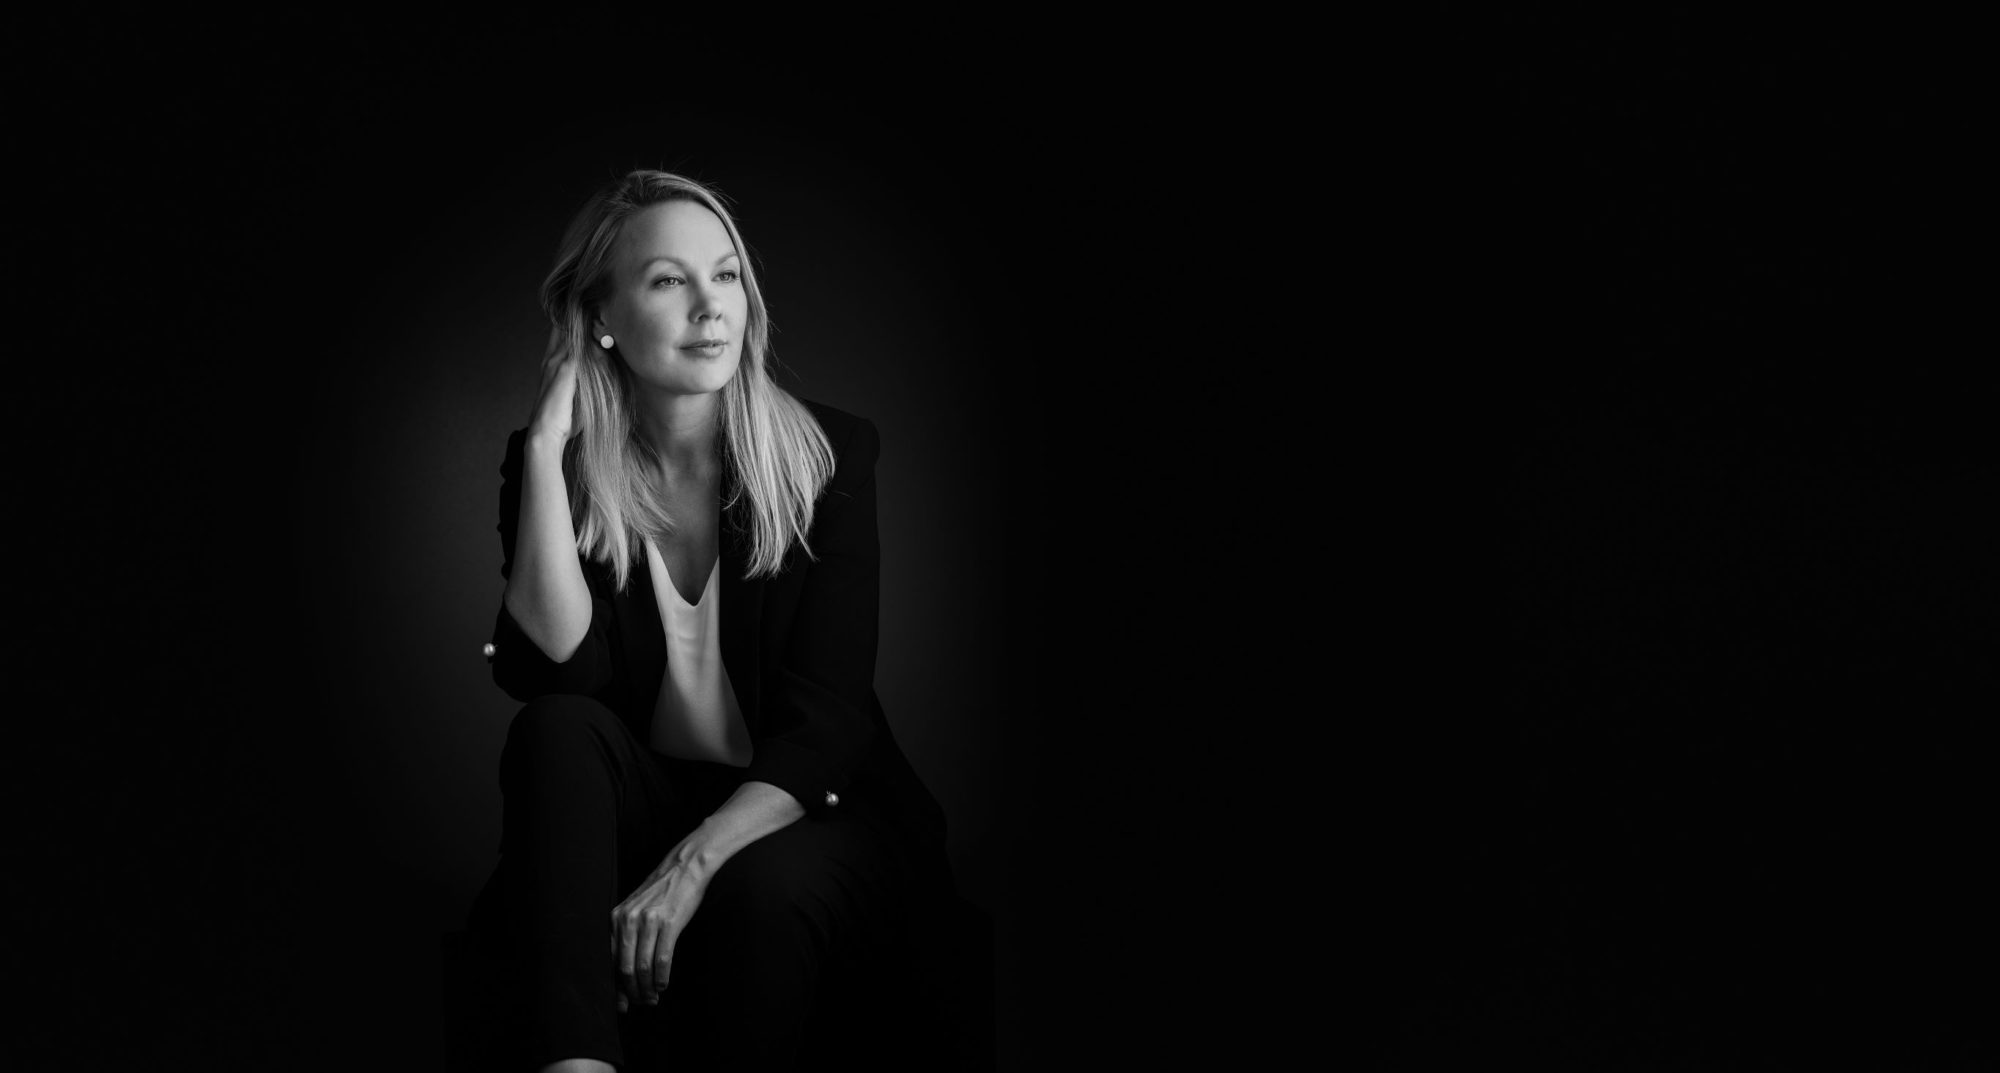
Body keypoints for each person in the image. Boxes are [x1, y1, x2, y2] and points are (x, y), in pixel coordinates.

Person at [465, 170, 951, 1072]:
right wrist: (545, 451)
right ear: (601, 319)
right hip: (653, 799)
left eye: (725, 275)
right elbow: (557, 674)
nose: (709, 305)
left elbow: (827, 723)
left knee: (756, 894)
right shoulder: (556, 469)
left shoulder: (828, 457)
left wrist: (694, 863)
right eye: (667, 280)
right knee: (554, 729)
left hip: (797, 810)